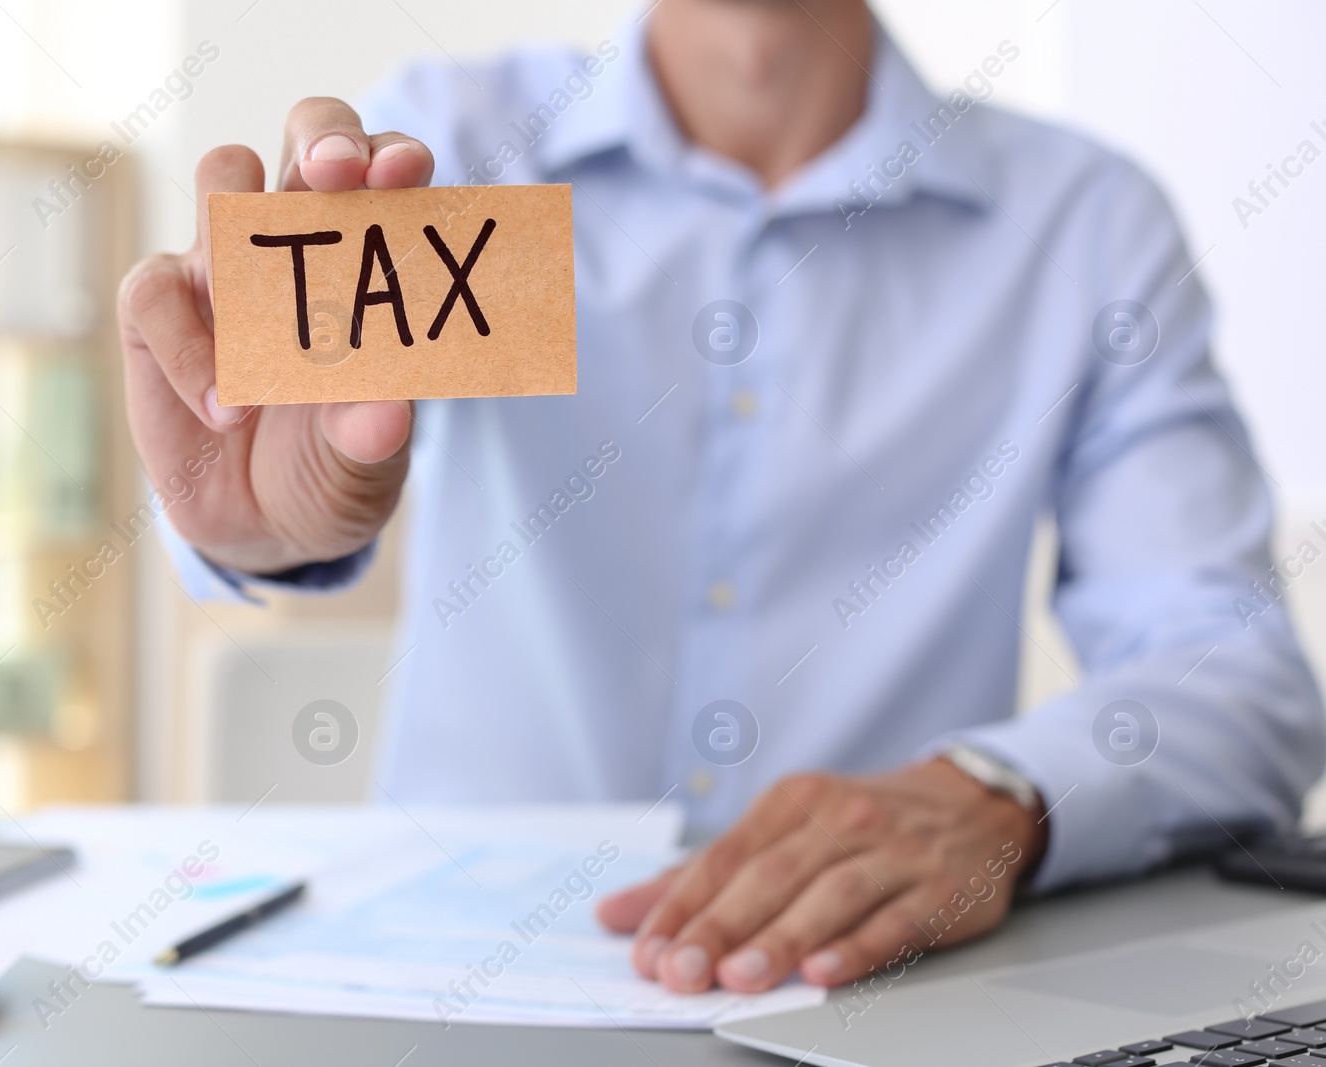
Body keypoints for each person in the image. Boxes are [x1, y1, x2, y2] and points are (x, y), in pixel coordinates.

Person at [116, 0, 1324, 997]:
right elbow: (316, 460)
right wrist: (268, 533)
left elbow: (1240, 682)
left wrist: (1004, 793)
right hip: (446, 996)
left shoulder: (1088, 227)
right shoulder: (443, 144)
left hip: (868, 999)